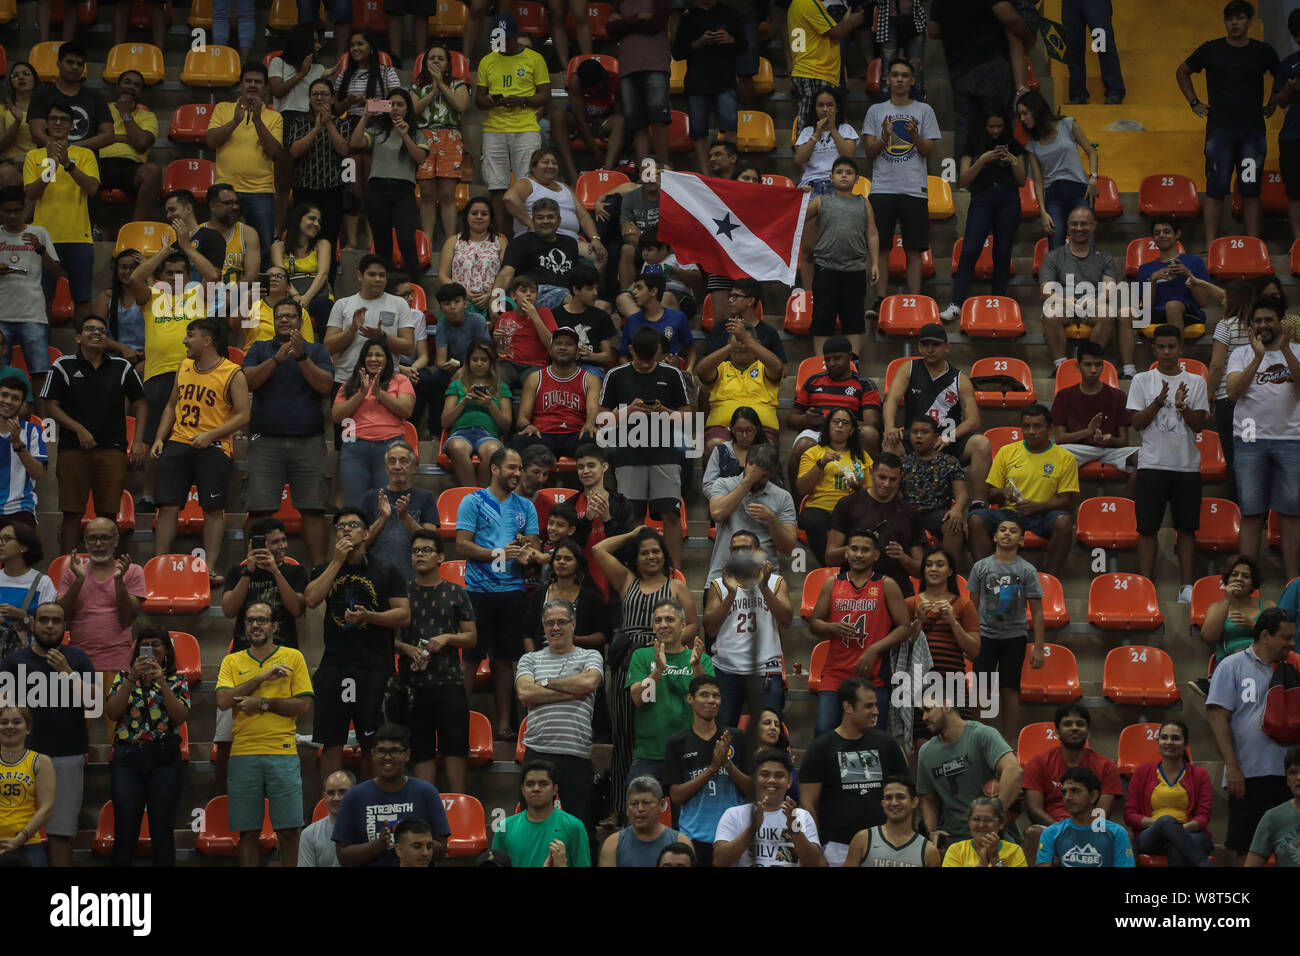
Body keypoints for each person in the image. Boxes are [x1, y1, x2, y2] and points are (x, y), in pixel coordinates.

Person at [593, 525, 699, 810]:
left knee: (655, 725)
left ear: (664, 555)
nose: (651, 556)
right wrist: (631, 534)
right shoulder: (627, 580)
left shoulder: (676, 586)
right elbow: (598, 550)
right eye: (644, 552)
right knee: (624, 736)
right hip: (630, 661)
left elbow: (693, 625)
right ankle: (620, 809)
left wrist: (667, 642)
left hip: (664, 661)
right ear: (636, 558)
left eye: (655, 551)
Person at [305, 508, 410, 781]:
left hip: (374, 667)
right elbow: (311, 599)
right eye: (340, 526)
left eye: (352, 525)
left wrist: (369, 616)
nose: (345, 529)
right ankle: (330, 809)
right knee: (331, 743)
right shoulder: (324, 569)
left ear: (366, 533)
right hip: (335, 667)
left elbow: (403, 614)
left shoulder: (386, 570)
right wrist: (337, 561)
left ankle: (373, 806)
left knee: (372, 745)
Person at [149, 319, 251, 586]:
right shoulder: (183, 366)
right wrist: (160, 438)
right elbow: (172, 405)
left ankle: (208, 567)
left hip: (215, 446)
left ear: (207, 341)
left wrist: (211, 435)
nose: (184, 341)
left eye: (189, 336)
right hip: (179, 441)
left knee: (213, 509)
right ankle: (159, 563)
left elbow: (243, 415)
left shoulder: (232, 373)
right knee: (167, 506)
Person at [214, 602, 313, 866]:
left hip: (282, 752)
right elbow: (223, 700)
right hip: (243, 753)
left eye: (262, 620)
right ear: (244, 626)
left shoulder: (293, 657)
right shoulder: (232, 660)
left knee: (289, 831)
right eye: (250, 621)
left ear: (274, 626)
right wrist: (261, 678)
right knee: (247, 832)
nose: (255, 625)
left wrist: (263, 704)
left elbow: (303, 705)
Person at [40, 315, 147, 553]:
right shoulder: (63, 365)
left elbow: (140, 404)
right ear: (78, 337)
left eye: (101, 330)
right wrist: (78, 429)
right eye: (89, 329)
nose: (96, 333)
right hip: (73, 449)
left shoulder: (122, 367)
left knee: (108, 514)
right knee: (72, 513)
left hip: (113, 449)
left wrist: (138, 441)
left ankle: (107, 570)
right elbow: (51, 407)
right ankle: (66, 569)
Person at [1177, 0, 1279, 245]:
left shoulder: (1262, 51)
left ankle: (1254, 246)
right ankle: (1212, 245)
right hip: (1219, 132)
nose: (1234, 23)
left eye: (1240, 18)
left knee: (1251, 190)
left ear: (1249, 21)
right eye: (1230, 19)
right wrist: (1194, 103)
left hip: (1252, 133)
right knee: (1216, 190)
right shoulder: (1211, 49)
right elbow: (1182, 71)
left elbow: (1281, 75)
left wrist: (1273, 102)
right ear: (1225, 22)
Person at [243, 299, 334, 567]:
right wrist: (275, 359)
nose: (284, 320)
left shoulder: (316, 351)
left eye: (290, 316)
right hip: (263, 440)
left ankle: (318, 570)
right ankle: (254, 567)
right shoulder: (259, 349)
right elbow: (248, 381)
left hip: (308, 439)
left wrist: (301, 356)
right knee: (259, 509)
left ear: (300, 321)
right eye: (280, 316)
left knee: (313, 509)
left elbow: (325, 386)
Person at [0, 602, 91, 867]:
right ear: (34, 624)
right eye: (43, 620)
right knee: (11, 832)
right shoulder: (14, 661)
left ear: (65, 626)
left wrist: (67, 673)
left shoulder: (78, 658)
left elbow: (95, 705)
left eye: (56, 621)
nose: (49, 626)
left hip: (66, 756)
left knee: (60, 835)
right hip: (20, 759)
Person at [456, 447, 540, 737]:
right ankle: (460, 722)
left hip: (513, 592)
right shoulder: (473, 501)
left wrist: (530, 554)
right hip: (478, 591)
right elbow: (462, 545)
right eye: (512, 468)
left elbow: (532, 545)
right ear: (494, 469)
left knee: (505, 660)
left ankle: (505, 725)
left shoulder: (526, 507)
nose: (517, 473)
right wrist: (498, 553)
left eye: (520, 468)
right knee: (470, 659)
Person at [1127, 324, 1212, 603]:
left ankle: (1187, 588)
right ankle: (1145, 585)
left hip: (1186, 466)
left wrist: (1182, 407)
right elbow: (1136, 423)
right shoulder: (1141, 380)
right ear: (1153, 349)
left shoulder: (1197, 381)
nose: (1166, 352)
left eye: (1171, 347)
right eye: (1161, 347)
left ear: (1181, 348)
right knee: (1147, 528)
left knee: (1187, 528)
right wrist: (1158, 402)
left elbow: (1199, 426)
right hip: (1152, 465)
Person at [1206, 606, 1297, 865]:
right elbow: (1217, 718)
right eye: (1286, 638)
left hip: (1289, 774)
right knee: (1244, 847)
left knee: (1292, 848)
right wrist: (1232, 767)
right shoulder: (1231, 666)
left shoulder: (1295, 667)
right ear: (1266, 636)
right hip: (1248, 773)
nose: (1291, 644)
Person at [598, 324, 692, 567]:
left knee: (671, 514)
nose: (645, 364)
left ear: (659, 352)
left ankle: (675, 572)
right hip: (629, 451)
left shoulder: (672, 375)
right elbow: (601, 419)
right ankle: (634, 569)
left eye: (651, 359)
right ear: (630, 350)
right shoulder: (616, 375)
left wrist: (665, 411)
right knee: (634, 516)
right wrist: (629, 411)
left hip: (665, 451)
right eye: (641, 359)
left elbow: (688, 418)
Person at [1225, 295, 1300, 581]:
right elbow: (1233, 392)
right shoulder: (1242, 354)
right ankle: (1247, 583)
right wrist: (1258, 357)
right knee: (1251, 513)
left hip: (1292, 437)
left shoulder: (1298, 351)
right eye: (1257, 321)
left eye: (1268, 319)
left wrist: (1287, 352)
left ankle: (1293, 583)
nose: (1262, 325)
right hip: (1249, 437)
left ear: (1281, 322)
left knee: (1291, 515)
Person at [808, 530, 910, 736]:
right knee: (824, 733)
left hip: (872, 677)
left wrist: (874, 648)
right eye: (854, 549)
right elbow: (814, 624)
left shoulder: (886, 584)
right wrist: (832, 627)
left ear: (876, 555)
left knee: (873, 739)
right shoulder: (833, 582)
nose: (859, 554)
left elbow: (905, 627)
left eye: (865, 550)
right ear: (846, 553)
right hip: (835, 674)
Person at [515, 597, 604, 832]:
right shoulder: (530, 659)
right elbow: (525, 692)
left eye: (562, 622)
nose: (556, 628)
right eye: (549, 623)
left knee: (580, 828)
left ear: (573, 624)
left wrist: (543, 683)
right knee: (533, 827)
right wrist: (572, 692)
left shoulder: (590, 656)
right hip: (537, 753)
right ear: (543, 626)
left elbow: (588, 683)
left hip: (576, 754)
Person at [103, 626, 189, 867]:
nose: (151, 649)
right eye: (144, 645)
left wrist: (161, 681)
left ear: (166, 650)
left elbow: (180, 715)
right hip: (128, 757)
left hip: (164, 759)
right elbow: (112, 712)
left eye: (156, 644)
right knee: (125, 830)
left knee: (162, 831)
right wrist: (131, 678)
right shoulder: (122, 677)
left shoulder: (178, 679)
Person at [799, 678, 909, 866]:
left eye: (875, 705)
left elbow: (907, 795)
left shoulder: (887, 744)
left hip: (883, 845)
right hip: (837, 848)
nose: (876, 711)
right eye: (868, 706)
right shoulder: (821, 747)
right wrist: (817, 851)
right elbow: (808, 803)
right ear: (848, 707)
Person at [881, 323, 992, 503]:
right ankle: (892, 502)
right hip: (915, 438)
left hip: (946, 441)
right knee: (890, 442)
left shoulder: (959, 379)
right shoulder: (909, 369)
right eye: (925, 344)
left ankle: (978, 503)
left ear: (946, 347)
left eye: (936, 344)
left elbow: (974, 420)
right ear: (919, 346)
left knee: (982, 443)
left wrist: (950, 435)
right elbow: (891, 400)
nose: (930, 349)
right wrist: (889, 427)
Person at [968, 404, 1080, 577]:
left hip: (1043, 515)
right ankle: (987, 576)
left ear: (1049, 428)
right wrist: (1002, 492)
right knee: (976, 519)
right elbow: (990, 494)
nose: (1031, 431)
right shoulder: (1007, 452)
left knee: (1064, 522)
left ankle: (1049, 577)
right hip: (1009, 514)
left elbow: (1067, 502)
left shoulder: (1065, 457)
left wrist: (1037, 506)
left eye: (1037, 426)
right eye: (1026, 426)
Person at [862, 58, 940, 301]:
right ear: (887, 80)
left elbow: (929, 152)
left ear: (912, 81)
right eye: (895, 75)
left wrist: (914, 134)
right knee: (882, 248)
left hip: (914, 188)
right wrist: (884, 137)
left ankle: (915, 300)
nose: (899, 79)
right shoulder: (875, 111)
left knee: (914, 249)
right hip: (882, 187)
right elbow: (869, 152)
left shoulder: (924, 111)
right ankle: (882, 301)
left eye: (905, 75)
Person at [57, 519, 145, 724]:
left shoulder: (132, 571)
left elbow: (127, 619)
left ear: (115, 541)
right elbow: (62, 615)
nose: (98, 543)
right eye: (92, 538)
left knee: (118, 733)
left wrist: (118, 582)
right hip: (79, 665)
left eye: (104, 538)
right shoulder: (72, 571)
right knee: (76, 733)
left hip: (118, 663)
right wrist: (78, 581)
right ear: (85, 542)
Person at [664, 674, 753, 868]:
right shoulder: (677, 743)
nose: (711, 700)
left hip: (732, 838)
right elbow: (676, 796)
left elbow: (751, 790)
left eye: (716, 696)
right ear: (690, 699)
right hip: (693, 839)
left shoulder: (736, 737)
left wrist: (727, 765)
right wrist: (712, 769)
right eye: (704, 695)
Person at [702, 532, 791, 727]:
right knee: (723, 734)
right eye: (735, 549)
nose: (740, 552)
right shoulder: (719, 585)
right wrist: (732, 594)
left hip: (765, 669)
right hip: (726, 670)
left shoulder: (776, 582)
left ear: (759, 552)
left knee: (769, 734)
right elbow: (709, 628)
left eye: (746, 548)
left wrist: (764, 587)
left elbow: (786, 620)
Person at [943, 111, 1026, 319]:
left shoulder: (1013, 144)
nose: (996, 131)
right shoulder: (973, 143)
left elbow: (1023, 180)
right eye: (991, 127)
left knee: (1002, 252)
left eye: (999, 127)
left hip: (1008, 200)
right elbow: (964, 179)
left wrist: (1013, 160)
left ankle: (997, 303)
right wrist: (983, 159)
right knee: (970, 249)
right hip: (982, 199)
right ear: (984, 126)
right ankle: (956, 304)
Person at [332, 723, 451, 867]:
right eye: (381, 751)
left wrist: (414, 843)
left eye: (395, 751)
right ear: (373, 754)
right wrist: (379, 845)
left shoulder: (427, 793)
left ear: (407, 755)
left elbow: (442, 849)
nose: (387, 757)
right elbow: (343, 857)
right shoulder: (354, 797)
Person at [22, 99, 98, 323]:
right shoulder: (33, 157)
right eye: (53, 119)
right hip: (43, 237)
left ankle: (84, 354)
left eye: (63, 119)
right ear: (45, 123)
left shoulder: (85, 155)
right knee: (42, 297)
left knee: (82, 298)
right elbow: (31, 193)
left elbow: (92, 188)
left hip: (79, 235)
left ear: (72, 125)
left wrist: (68, 164)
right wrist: (52, 165)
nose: (58, 123)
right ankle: (41, 352)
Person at [475, 15, 551, 230]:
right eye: (497, 38)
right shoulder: (487, 61)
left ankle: (525, 232)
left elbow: (545, 95)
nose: (502, 42)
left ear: (516, 36)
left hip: (525, 127)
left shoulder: (534, 59)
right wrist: (490, 101)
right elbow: (478, 100)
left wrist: (523, 100)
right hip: (494, 128)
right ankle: (501, 236)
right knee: (496, 187)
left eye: (506, 38)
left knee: (526, 185)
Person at [628, 598, 713, 787]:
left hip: (690, 754)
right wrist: (658, 670)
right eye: (658, 620)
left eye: (670, 619)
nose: (663, 625)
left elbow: (709, 704)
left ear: (683, 624)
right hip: (649, 756)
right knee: (639, 813)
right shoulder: (641, 656)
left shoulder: (701, 659)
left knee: (685, 816)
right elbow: (639, 698)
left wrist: (697, 667)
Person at [1038, 206, 1132, 375]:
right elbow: (1046, 289)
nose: (1079, 228)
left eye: (1084, 224)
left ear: (1093, 226)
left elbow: (1110, 287)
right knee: (1050, 311)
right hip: (1064, 304)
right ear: (1067, 226)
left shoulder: (1105, 257)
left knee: (1108, 313)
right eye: (1074, 224)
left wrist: (1096, 301)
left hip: (1092, 304)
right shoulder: (1053, 256)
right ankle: (1060, 366)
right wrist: (1065, 301)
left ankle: (1090, 362)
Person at [917, 700, 1022, 851]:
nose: (924, 717)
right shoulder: (926, 752)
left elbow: (1013, 770)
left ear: (947, 705)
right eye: (922, 712)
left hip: (995, 838)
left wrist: (994, 817)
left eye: (928, 709)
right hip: (955, 842)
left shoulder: (981, 734)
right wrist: (932, 832)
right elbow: (927, 799)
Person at [802, 156, 880, 359]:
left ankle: (853, 362)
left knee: (853, 319)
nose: (844, 175)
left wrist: (875, 263)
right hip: (825, 269)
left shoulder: (864, 203)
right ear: (830, 177)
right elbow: (797, 217)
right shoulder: (821, 201)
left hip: (855, 269)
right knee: (822, 319)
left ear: (857, 179)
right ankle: (820, 362)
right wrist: (802, 199)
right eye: (839, 172)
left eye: (849, 172)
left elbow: (871, 232)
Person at [1021, 704, 1122, 857]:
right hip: (1051, 827)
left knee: (1125, 836)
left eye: (1080, 724)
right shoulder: (1038, 763)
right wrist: (1063, 829)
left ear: (1088, 732)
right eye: (1067, 724)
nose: (1074, 728)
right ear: (1057, 732)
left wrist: (1081, 831)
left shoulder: (1106, 766)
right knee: (1034, 833)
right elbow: (1034, 810)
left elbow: (1102, 812)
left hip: (1092, 828)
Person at [351, 90, 429, 279]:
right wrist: (366, 116)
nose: (395, 108)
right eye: (391, 104)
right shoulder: (377, 130)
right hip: (378, 189)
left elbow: (419, 158)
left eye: (400, 105)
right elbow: (354, 143)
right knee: (382, 244)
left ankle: (415, 285)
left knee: (406, 240)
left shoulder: (416, 133)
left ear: (407, 108)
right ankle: (385, 286)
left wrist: (405, 135)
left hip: (404, 190)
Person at [205, 63, 282, 252]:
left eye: (258, 82)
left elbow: (274, 151)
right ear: (241, 84)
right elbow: (211, 141)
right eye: (248, 81)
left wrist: (257, 121)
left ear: (265, 87)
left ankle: (258, 282)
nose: (253, 85)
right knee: (217, 245)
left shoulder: (274, 117)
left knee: (264, 247)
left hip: (260, 191)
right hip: (225, 189)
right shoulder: (223, 109)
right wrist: (234, 121)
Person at [787, 334, 882, 488]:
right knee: (802, 445)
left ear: (850, 357)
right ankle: (798, 505)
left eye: (837, 358)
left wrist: (839, 422)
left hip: (849, 432)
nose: (831, 363)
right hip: (816, 431)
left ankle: (872, 494)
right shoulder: (813, 381)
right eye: (827, 359)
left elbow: (871, 422)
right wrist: (806, 419)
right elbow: (791, 420)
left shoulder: (865, 385)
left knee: (869, 434)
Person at [331, 341, 416, 510]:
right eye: (369, 355)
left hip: (390, 448)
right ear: (362, 359)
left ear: (387, 360)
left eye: (379, 355)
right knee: (354, 508)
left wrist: (379, 393)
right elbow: (336, 416)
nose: (373, 359)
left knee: (389, 507)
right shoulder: (350, 385)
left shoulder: (400, 380)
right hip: (354, 449)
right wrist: (361, 393)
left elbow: (406, 410)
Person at [825, 454, 924, 595]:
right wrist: (859, 546)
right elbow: (830, 558)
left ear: (900, 478)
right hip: (853, 592)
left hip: (898, 590)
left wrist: (903, 557)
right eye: (882, 477)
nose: (887, 484)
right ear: (871, 473)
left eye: (893, 479)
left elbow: (920, 570)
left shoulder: (911, 512)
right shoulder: (847, 505)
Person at [1124, 719, 1215, 867]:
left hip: (1191, 832)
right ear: (1158, 742)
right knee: (1166, 821)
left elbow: (1203, 816)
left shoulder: (1200, 774)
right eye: (1164, 737)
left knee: (1177, 845)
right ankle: (1204, 864)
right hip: (1152, 835)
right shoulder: (1142, 772)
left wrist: (1175, 830)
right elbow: (1129, 816)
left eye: (1176, 738)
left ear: (1186, 744)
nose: (1169, 742)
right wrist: (1162, 825)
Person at [1017, 90, 1099, 251]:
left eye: (1025, 113)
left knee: (1088, 244)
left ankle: (1089, 277)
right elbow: (1038, 181)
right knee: (1056, 246)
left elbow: (1092, 152)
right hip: (1053, 196)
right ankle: (1060, 278)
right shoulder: (1032, 144)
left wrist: (1094, 177)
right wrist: (1042, 211)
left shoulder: (1067, 124)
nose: (1022, 119)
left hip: (1080, 191)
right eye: (1020, 115)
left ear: (1036, 109)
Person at [713, 748, 825, 866]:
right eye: (765, 775)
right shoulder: (734, 814)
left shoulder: (802, 816)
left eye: (779, 775)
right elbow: (719, 861)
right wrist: (752, 829)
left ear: (789, 781)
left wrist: (794, 829)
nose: (772, 780)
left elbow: (814, 863)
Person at [1050, 339, 1135, 490]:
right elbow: (1060, 439)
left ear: (1103, 366)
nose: (1094, 370)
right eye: (1088, 365)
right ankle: (1063, 507)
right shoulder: (1064, 396)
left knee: (1148, 458)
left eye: (1098, 364)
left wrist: (1109, 439)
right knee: (1055, 455)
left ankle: (1127, 507)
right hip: (1077, 449)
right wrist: (1087, 432)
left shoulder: (1118, 396)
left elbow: (1123, 441)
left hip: (1111, 451)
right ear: (1078, 366)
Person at [325, 255, 417, 394]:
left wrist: (382, 336)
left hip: (387, 381)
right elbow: (328, 347)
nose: (378, 279)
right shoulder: (342, 305)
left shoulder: (399, 304)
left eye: (382, 275)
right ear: (360, 276)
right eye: (372, 274)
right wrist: (352, 330)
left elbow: (408, 347)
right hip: (347, 379)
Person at [706, 444, 797, 583]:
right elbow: (717, 513)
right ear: (746, 464)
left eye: (762, 476)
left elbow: (788, 548)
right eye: (753, 472)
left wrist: (772, 520)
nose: (756, 479)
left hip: (765, 578)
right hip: (723, 575)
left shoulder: (783, 496)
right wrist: (747, 481)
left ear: (771, 473)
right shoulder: (723, 484)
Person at [672, 0, 746, 172]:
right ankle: (706, 175)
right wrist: (699, 42)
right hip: (697, 81)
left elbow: (744, 45)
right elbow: (677, 53)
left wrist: (730, 39)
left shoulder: (730, 13)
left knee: (730, 127)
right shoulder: (688, 18)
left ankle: (730, 171)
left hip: (725, 80)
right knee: (699, 131)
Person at [0, 187, 62, 388]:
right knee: (1, 373)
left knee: (40, 374)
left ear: (24, 208)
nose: (12, 215)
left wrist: (40, 249)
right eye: (7, 211)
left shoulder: (38, 233)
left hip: (33, 314)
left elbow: (57, 272)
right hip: (1, 314)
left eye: (16, 210)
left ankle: (43, 420)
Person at [411, 45, 471, 245]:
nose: (436, 61)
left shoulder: (458, 83)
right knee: (427, 194)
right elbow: (412, 111)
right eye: (431, 58)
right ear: (425, 63)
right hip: (423, 138)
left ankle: (450, 242)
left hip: (450, 137)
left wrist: (441, 84)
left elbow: (461, 106)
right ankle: (426, 243)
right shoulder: (417, 86)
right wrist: (430, 93)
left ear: (448, 64)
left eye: (441, 58)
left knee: (447, 195)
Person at [796, 411, 872, 564]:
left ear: (851, 431)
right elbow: (802, 488)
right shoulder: (813, 453)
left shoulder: (862, 456)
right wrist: (821, 464)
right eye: (835, 421)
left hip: (851, 506)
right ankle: (827, 564)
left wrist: (859, 489)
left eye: (845, 423)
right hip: (820, 505)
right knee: (812, 520)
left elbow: (871, 492)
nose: (839, 426)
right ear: (828, 426)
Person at [285, 79, 352, 251]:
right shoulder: (299, 122)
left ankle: (327, 277)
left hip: (332, 190)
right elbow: (294, 152)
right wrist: (315, 129)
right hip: (304, 189)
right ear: (309, 98)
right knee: (302, 239)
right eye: (315, 94)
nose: (319, 98)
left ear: (332, 98)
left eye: (324, 94)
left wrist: (328, 123)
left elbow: (344, 150)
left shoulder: (342, 124)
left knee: (328, 240)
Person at [512, 328, 600, 460]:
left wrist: (590, 423)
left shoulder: (590, 380)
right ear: (550, 350)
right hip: (543, 435)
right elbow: (522, 418)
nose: (563, 347)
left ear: (577, 352)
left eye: (569, 344)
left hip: (575, 435)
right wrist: (527, 426)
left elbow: (592, 413)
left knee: (594, 438)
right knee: (520, 440)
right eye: (558, 343)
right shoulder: (535, 377)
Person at [493, 759, 592, 867]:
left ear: (555, 789)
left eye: (543, 784)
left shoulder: (574, 827)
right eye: (530, 784)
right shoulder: (504, 827)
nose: (536, 789)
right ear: (522, 790)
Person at [362, 441, 438, 582]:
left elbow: (431, 544)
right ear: (386, 468)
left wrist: (405, 517)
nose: (397, 466)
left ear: (413, 467)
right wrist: (382, 518)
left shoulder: (425, 497)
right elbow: (361, 544)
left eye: (403, 461)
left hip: (414, 580)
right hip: (376, 579)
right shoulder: (371, 498)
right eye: (392, 461)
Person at [608, 0, 672, 160]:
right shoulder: (619, 2)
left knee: (659, 119)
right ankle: (645, 172)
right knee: (637, 124)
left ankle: (665, 169)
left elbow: (655, 24)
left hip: (655, 63)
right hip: (628, 67)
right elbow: (611, 29)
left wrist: (624, 22)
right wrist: (639, 17)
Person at [1134, 217, 1219, 336]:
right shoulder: (1144, 269)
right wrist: (1153, 280)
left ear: (1177, 234)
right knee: (1125, 314)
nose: (1161, 235)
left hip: (1188, 314)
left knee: (1172, 306)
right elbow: (1144, 307)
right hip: (1156, 314)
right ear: (1153, 238)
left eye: (1167, 232)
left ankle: (1177, 354)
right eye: (1157, 233)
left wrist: (1188, 274)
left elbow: (1203, 302)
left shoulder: (1195, 262)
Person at [1035, 767, 1136, 867]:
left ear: (1093, 796)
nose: (1067, 797)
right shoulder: (1051, 833)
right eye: (1064, 792)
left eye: (1075, 791)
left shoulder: (1117, 833)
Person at [786, 0, 863, 129]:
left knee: (816, 127)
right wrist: (852, 21)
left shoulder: (798, 3)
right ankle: (801, 148)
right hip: (815, 72)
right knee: (810, 129)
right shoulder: (809, 3)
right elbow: (837, 32)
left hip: (811, 71)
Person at [98, 71, 162, 223]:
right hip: (99, 162)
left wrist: (125, 113)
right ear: (117, 86)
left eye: (137, 85)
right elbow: (93, 139)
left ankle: (136, 226)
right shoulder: (102, 109)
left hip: (131, 166)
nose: (131, 87)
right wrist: (127, 138)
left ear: (141, 92)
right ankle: (89, 227)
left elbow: (141, 143)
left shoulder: (148, 116)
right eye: (127, 82)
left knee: (153, 171)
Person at [550, 58, 624, 184]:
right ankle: (572, 176)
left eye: (594, 87)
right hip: (580, 123)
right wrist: (596, 152)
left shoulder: (615, 80)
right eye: (587, 88)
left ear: (602, 79)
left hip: (603, 123)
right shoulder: (575, 81)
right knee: (557, 115)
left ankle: (606, 171)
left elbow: (618, 113)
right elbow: (580, 121)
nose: (590, 91)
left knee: (621, 121)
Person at [1201, 554, 1273, 682]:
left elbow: (1277, 637)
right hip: (1230, 661)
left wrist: (1254, 626)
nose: (1238, 579)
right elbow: (1208, 637)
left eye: (1245, 576)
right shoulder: (1216, 607)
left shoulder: (1268, 605)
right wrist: (1227, 602)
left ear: (1253, 583)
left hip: (1262, 661)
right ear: (1227, 579)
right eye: (1234, 575)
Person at [844, 775, 942, 867]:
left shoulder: (928, 850)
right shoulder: (863, 839)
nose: (894, 803)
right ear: (883, 803)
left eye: (900, 797)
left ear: (914, 802)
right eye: (888, 798)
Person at [271, 204, 334, 342]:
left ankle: (325, 351)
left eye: (319, 221)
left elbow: (323, 273)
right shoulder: (278, 247)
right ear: (298, 219)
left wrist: (306, 298)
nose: (316, 224)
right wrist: (296, 296)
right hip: (289, 294)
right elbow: (281, 274)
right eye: (312, 219)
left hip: (317, 295)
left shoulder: (322, 244)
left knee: (322, 304)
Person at [0, 705, 54, 866]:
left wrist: (20, 838)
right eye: (4, 722)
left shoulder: (41, 762)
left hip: (28, 844)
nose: (10, 726)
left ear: (28, 728)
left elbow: (47, 808)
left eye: (16, 722)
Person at [599, 776, 691, 866]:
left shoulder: (681, 842)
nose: (640, 809)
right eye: (634, 804)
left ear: (662, 805)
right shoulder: (613, 844)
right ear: (627, 808)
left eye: (646, 803)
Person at [439, 199, 508, 320]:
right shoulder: (453, 241)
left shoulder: (500, 242)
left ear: (491, 218)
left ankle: (500, 338)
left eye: (484, 214)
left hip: (493, 296)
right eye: (474, 213)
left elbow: (507, 273)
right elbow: (443, 275)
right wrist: (463, 293)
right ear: (466, 217)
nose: (479, 217)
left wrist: (491, 295)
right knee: (457, 306)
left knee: (505, 304)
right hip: (460, 298)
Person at [618, 273, 695, 374]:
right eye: (634, 288)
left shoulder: (678, 317)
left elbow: (690, 349)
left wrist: (689, 370)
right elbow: (623, 355)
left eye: (639, 288)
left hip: (669, 374)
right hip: (639, 374)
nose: (634, 292)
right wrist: (630, 373)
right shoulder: (632, 320)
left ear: (653, 291)